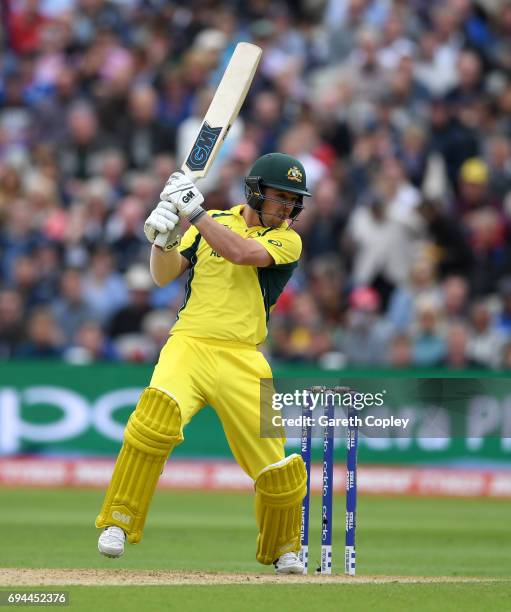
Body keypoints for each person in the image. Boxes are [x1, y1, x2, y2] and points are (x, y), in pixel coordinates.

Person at [96, 153, 311, 574]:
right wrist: (164, 239)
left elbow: (242, 254)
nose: (286, 207)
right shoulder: (214, 221)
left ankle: (285, 548)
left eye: (292, 200)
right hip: (189, 345)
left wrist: (193, 213)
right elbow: (164, 275)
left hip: (245, 358)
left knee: (276, 466)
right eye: (278, 197)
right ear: (255, 191)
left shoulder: (287, 240)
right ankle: (119, 522)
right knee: (153, 421)